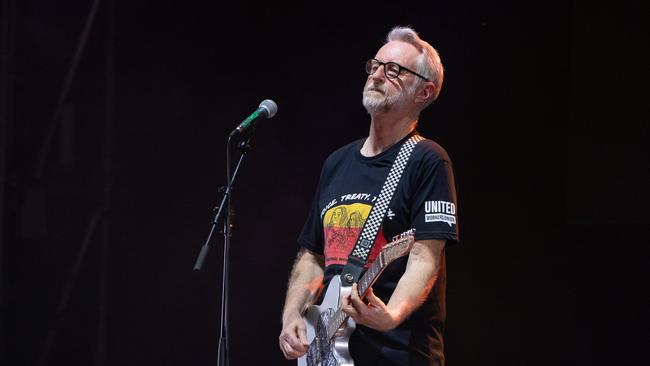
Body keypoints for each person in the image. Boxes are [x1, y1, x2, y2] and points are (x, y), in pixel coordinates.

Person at [279, 25, 459, 366]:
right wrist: (292, 316)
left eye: (394, 70)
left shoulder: (428, 160)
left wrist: (392, 314)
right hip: (332, 353)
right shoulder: (337, 163)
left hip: (398, 354)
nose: (377, 75)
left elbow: (424, 257)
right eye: (375, 66)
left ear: (425, 92)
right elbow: (312, 255)